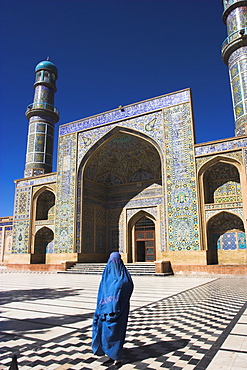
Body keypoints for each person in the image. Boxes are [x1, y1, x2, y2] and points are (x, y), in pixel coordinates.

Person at [92, 252, 134, 364]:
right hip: (104, 311)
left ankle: (117, 356)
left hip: (118, 312)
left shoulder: (124, 278)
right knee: (104, 333)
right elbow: (102, 292)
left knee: (116, 333)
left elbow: (127, 288)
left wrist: (116, 306)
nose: (113, 264)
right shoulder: (107, 275)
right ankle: (110, 354)